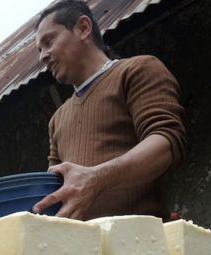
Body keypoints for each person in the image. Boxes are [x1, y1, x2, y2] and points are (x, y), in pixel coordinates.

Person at [32, 0, 186, 221]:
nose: (43, 56)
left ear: (83, 28)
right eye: (40, 50)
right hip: (79, 247)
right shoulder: (57, 118)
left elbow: (167, 142)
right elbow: (56, 185)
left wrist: (96, 178)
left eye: (49, 41)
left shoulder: (136, 70)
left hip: (140, 242)